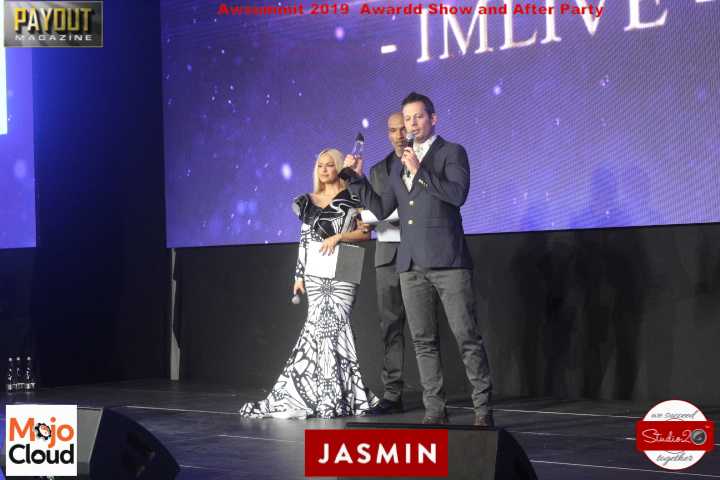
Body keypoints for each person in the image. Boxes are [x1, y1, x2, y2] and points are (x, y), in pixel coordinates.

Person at [341, 92, 493, 426]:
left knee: (466, 337)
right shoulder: (398, 164)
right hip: (410, 265)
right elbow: (382, 209)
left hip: (448, 261)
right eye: (407, 119)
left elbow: (457, 195)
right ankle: (435, 411)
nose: (411, 124)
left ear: (433, 119)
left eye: (418, 117)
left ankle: (482, 410)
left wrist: (420, 170)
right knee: (423, 342)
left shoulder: (451, 152)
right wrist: (356, 180)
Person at [240, 148, 379, 419]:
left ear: (339, 167)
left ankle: (338, 395)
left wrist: (339, 237)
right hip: (315, 268)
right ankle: (323, 394)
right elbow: (304, 240)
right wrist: (298, 276)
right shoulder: (307, 201)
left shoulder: (354, 197)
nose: (324, 170)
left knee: (337, 327)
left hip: (346, 262)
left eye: (329, 165)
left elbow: (366, 234)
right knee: (316, 329)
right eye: (320, 166)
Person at [365, 113, 408, 415]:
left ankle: (436, 396)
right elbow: (373, 210)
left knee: (425, 328)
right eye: (393, 130)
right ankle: (392, 394)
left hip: (421, 252)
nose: (399, 135)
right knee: (390, 326)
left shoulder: (425, 162)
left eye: (403, 129)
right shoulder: (378, 170)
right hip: (387, 255)